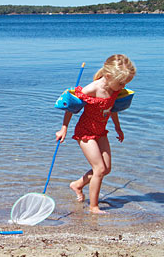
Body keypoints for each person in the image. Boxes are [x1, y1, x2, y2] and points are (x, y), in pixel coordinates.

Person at [55, 54, 136, 214]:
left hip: (101, 131)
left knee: (106, 169)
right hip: (85, 132)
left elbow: (112, 109)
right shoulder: (91, 89)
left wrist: (118, 128)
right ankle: (94, 207)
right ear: (108, 76)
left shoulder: (114, 89)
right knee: (98, 169)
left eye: (125, 83)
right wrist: (63, 128)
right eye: (121, 83)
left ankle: (77, 184)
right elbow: (72, 107)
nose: (122, 86)